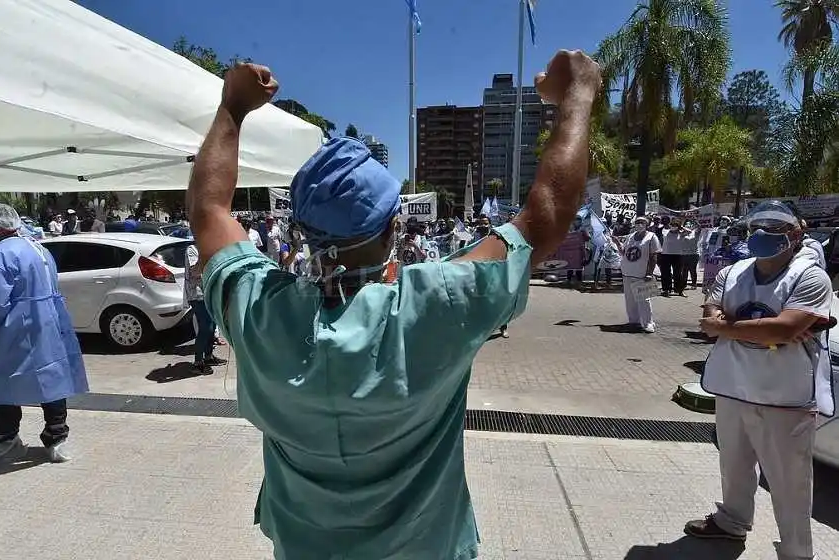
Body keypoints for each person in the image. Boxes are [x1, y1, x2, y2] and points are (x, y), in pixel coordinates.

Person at [186, 51, 600, 559]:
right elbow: (547, 215)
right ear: (391, 230)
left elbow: (209, 210)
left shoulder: (258, 310)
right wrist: (577, 95)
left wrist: (232, 107)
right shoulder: (437, 303)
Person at [686, 201, 834, 560]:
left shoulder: (811, 277)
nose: (764, 233)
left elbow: (783, 329)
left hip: (784, 397)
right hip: (733, 386)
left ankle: (797, 552)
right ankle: (731, 521)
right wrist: (757, 329)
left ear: (796, 234)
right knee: (733, 464)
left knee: (789, 482)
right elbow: (710, 318)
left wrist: (728, 326)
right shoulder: (734, 271)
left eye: (775, 226)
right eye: (758, 226)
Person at [0, 203, 89, 464]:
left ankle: (6, 438)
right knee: (52, 377)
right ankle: (57, 438)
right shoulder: (39, 248)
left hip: (13, 328)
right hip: (48, 322)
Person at [183, 242, 227, 374]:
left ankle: (208, 357)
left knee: (212, 326)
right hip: (197, 294)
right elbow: (195, 272)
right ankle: (198, 362)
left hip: (209, 293)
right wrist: (204, 254)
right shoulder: (192, 250)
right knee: (205, 327)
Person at [615, 215, 662, 333]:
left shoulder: (652, 237)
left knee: (644, 300)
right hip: (627, 272)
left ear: (647, 224)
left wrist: (649, 273)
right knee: (629, 299)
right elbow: (623, 252)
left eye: (642, 222)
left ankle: (648, 323)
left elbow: (654, 256)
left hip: (642, 274)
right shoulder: (631, 236)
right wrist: (616, 243)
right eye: (637, 222)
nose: (639, 224)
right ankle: (634, 321)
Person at [681, 221, 700, 289]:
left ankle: (694, 284)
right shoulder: (682, 233)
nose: (688, 225)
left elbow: (699, 227)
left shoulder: (695, 232)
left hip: (694, 254)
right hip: (684, 254)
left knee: (693, 270)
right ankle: (684, 284)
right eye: (686, 224)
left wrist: (695, 220)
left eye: (689, 224)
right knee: (684, 270)